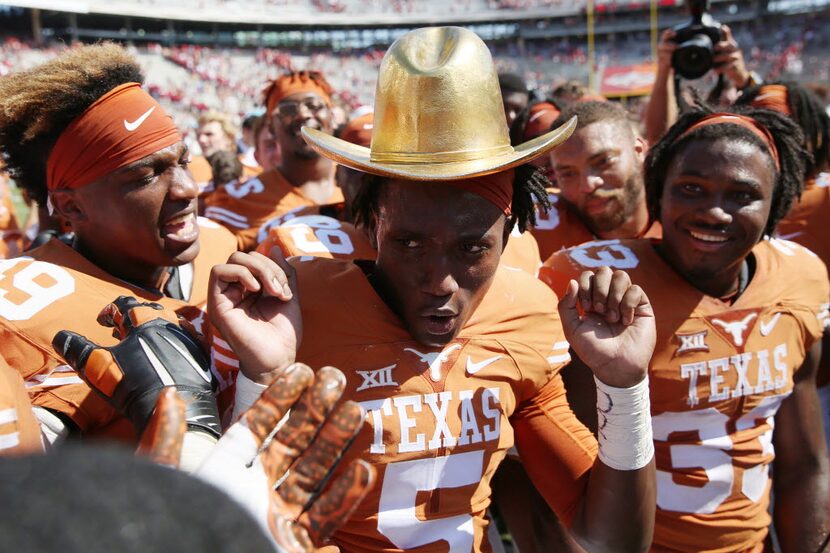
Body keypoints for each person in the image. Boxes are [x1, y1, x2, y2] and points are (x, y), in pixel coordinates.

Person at [208, 26, 657, 553]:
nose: (440, 282)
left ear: (508, 233)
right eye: (410, 243)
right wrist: (262, 378)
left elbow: (613, 539)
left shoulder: (527, 310)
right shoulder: (290, 307)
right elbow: (227, 523)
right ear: (372, 223)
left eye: (472, 249)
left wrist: (625, 386)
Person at [541, 105, 830, 552]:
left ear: (779, 200)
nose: (713, 212)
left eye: (742, 194)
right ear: (659, 191)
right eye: (691, 189)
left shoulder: (799, 277)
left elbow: (803, 464)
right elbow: (571, 474)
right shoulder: (593, 283)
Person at [0, 43, 238, 447]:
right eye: (146, 176)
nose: (187, 189)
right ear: (71, 207)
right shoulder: (23, 313)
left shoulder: (219, 244)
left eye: (181, 161)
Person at [204, 71, 343, 251]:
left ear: (332, 117)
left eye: (314, 105)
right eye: (288, 109)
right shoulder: (237, 200)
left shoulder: (360, 184)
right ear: (270, 126)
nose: (302, 113)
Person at [533, 100, 660, 261]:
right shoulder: (536, 226)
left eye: (603, 162)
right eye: (568, 173)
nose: (588, 185)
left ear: (639, 151)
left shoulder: (683, 231)